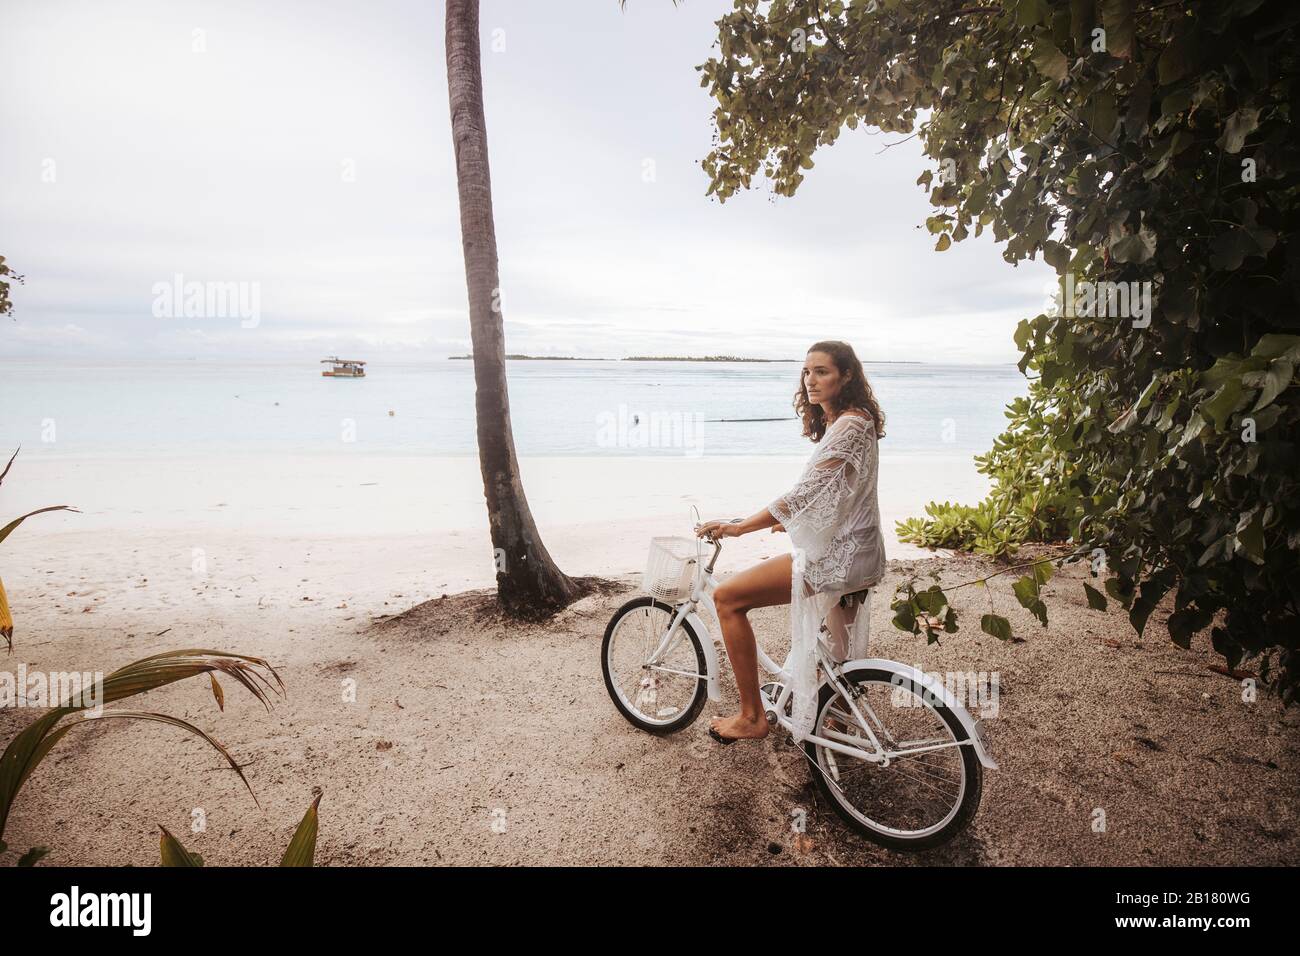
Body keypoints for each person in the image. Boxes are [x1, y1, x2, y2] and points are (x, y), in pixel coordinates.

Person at [694, 340, 887, 744]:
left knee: (728, 598)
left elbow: (806, 493)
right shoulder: (855, 420)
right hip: (860, 549)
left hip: (840, 556)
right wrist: (795, 521)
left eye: (822, 372)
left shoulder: (849, 425)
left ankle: (751, 717)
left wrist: (740, 527)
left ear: (847, 376)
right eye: (806, 372)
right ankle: (841, 721)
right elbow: (841, 491)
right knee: (839, 652)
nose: (811, 380)